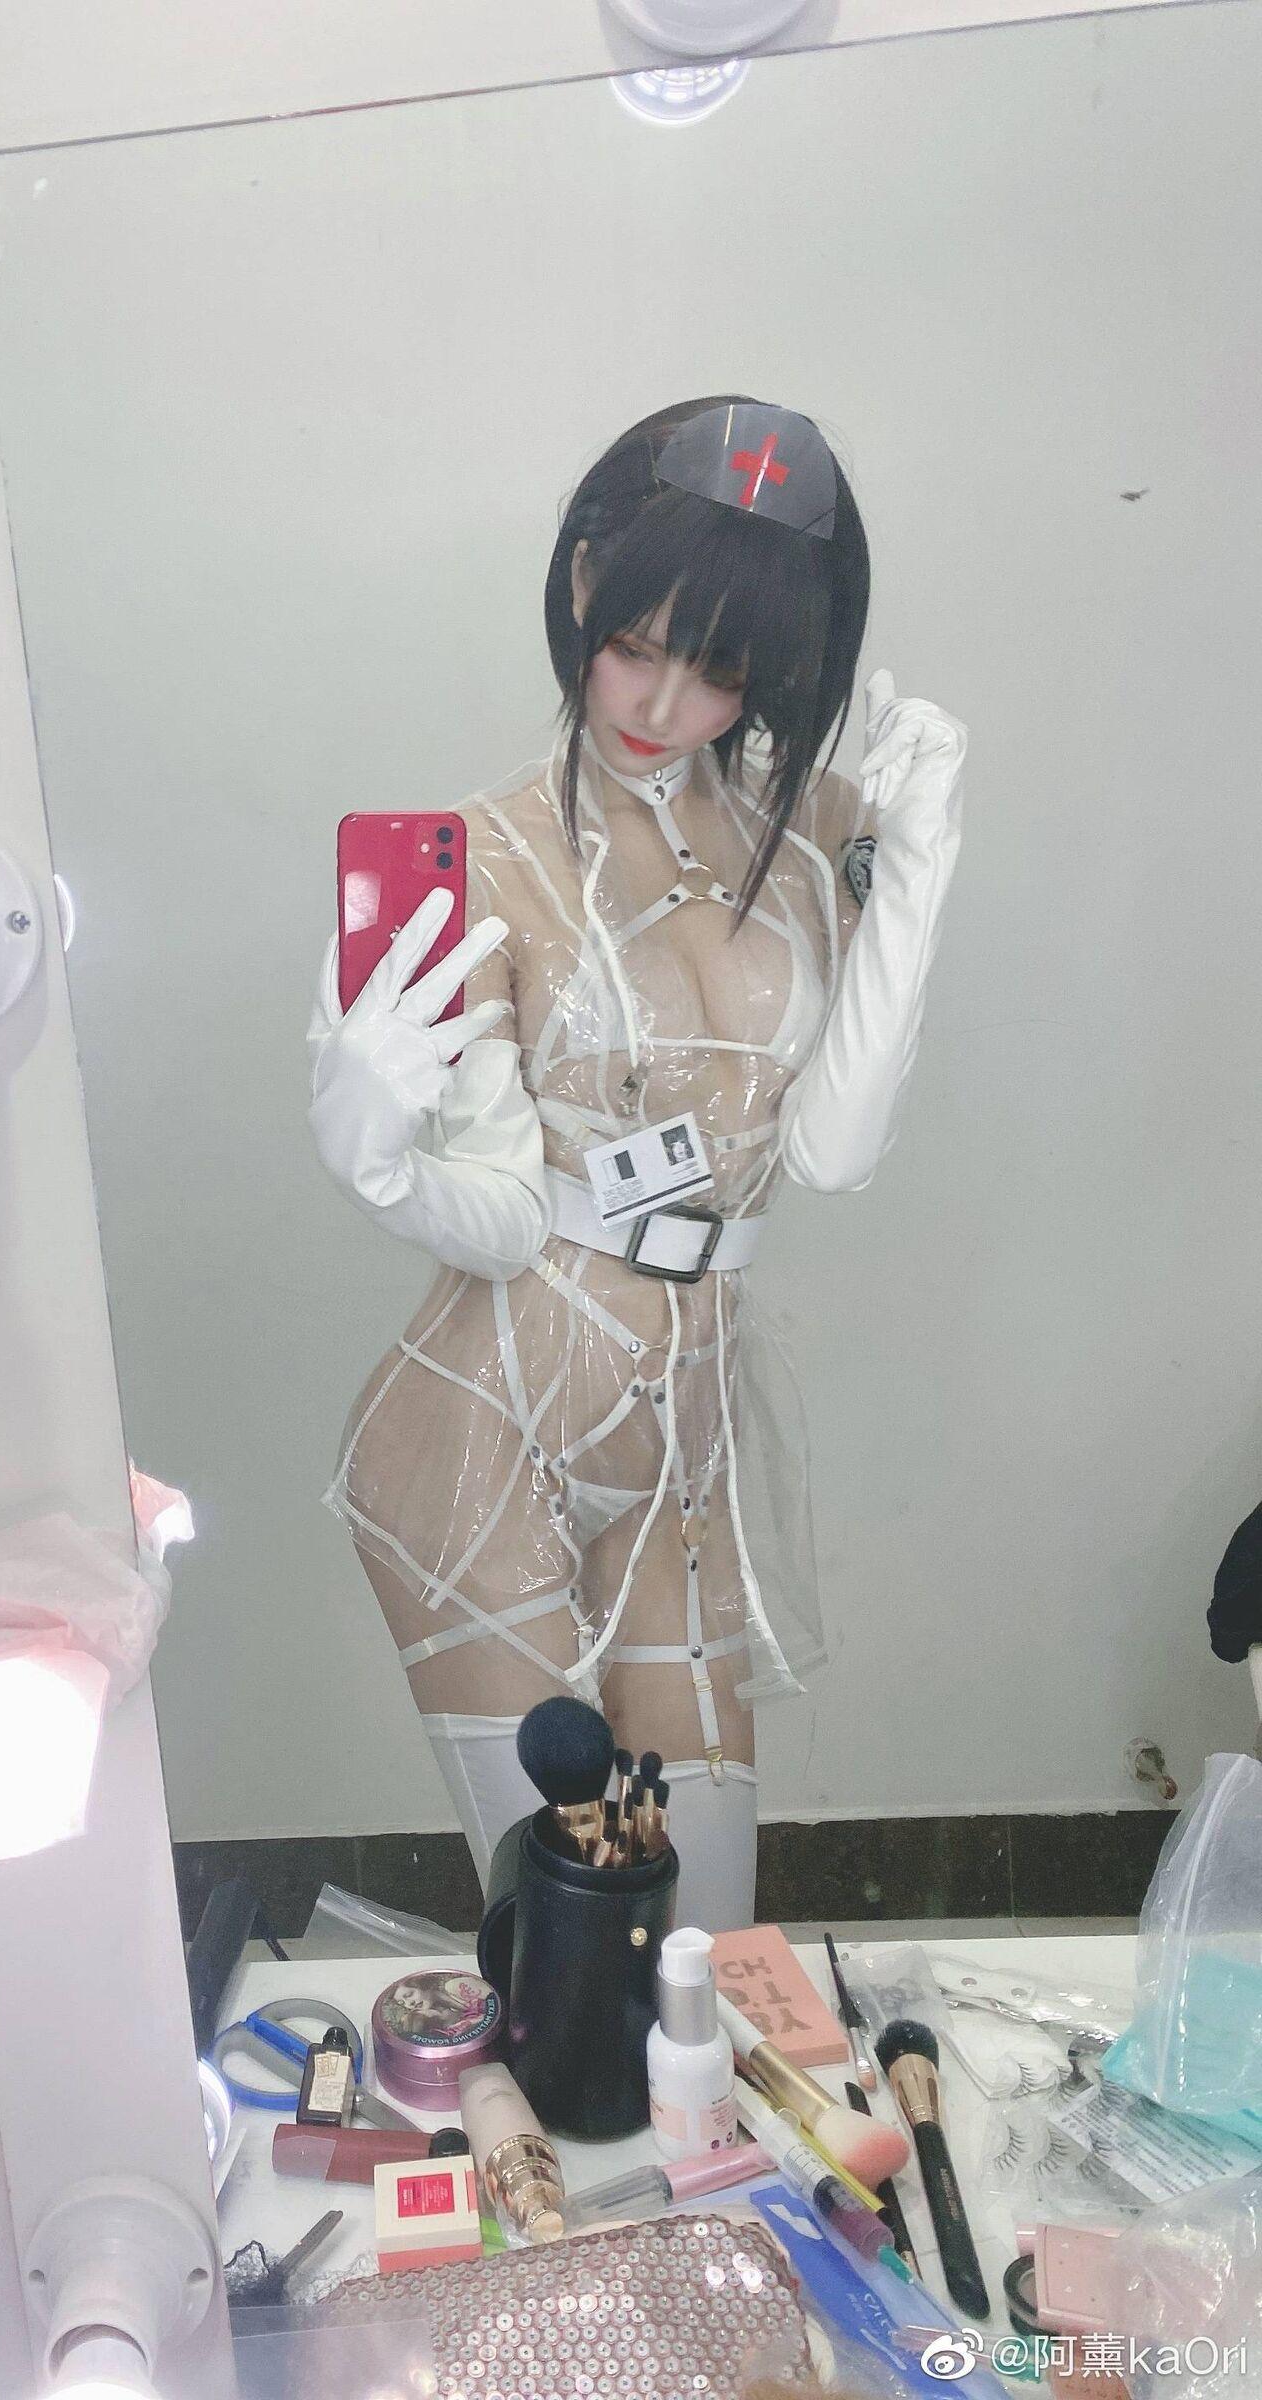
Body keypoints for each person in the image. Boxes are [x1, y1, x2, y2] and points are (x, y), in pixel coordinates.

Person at [308, 397, 965, 1930]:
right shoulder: (488, 854)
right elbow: (496, 1226)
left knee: (708, 1951)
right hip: (482, 1436)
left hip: (684, 1448)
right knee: (575, 1940)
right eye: (633, 646)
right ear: (584, 579)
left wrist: (923, 864)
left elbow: (832, 1151)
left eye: (720, 671)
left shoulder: (819, 838)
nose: (664, 705)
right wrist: (372, 1153)